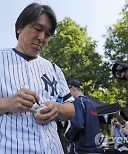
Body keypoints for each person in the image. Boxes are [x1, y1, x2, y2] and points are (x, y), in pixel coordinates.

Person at [0, 3, 75, 154]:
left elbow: (72, 109)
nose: (42, 37)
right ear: (19, 27)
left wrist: (57, 108)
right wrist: (7, 103)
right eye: (38, 28)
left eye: (48, 34)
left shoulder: (53, 68)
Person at [65, 80, 101, 154]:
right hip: (95, 148)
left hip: (82, 149)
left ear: (72, 88)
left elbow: (78, 124)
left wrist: (68, 136)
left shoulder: (78, 102)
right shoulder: (91, 104)